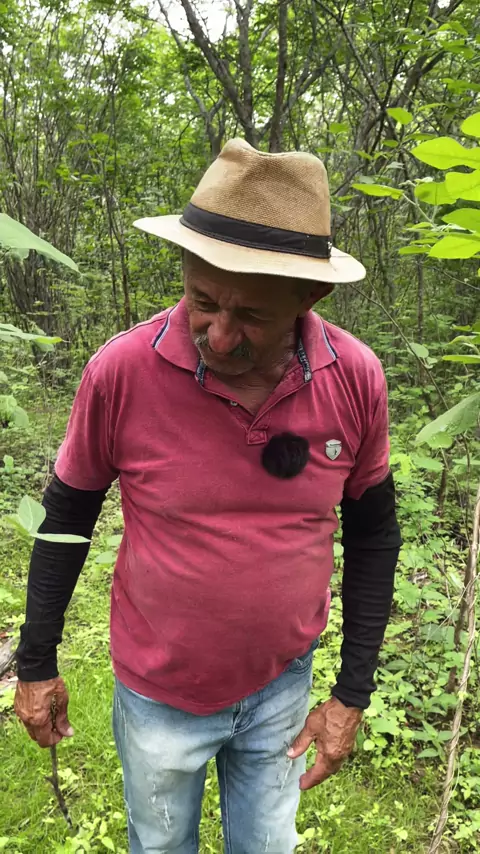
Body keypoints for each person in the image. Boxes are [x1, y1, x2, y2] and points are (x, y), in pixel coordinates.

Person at [14, 138, 401, 854]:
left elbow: (374, 533)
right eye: (202, 301)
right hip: (158, 693)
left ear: (309, 298)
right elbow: (68, 512)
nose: (219, 336)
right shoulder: (122, 372)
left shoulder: (354, 379)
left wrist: (352, 692)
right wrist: (35, 661)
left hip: (283, 686)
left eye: (251, 315)